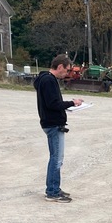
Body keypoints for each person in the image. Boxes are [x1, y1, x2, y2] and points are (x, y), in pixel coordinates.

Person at [34, 54, 83, 203]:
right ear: (60, 66)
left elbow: (53, 103)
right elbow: (53, 104)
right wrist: (71, 103)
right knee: (56, 159)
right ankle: (52, 192)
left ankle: (54, 187)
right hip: (53, 124)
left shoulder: (46, 79)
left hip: (52, 123)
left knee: (56, 158)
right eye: (67, 70)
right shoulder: (48, 80)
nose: (67, 73)